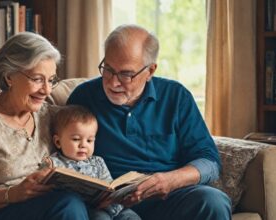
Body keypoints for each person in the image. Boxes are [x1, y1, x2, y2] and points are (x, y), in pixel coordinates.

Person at [67, 24, 232, 220]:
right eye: (108, 69)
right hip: (109, 205)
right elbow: (61, 153)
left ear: (150, 71)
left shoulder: (176, 96)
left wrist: (170, 180)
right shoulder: (84, 96)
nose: (113, 82)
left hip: (166, 197)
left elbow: (209, 161)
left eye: (126, 74)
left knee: (213, 201)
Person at [0, 32, 89, 220]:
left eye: (51, 80)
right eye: (37, 79)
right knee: (68, 203)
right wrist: (13, 194)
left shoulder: (51, 115)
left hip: (48, 209)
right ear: (9, 76)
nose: (46, 90)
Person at [41, 105, 141, 220]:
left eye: (89, 140)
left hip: (116, 208)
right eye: (76, 139)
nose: (83, 145)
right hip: (92, 211)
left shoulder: (98, 161)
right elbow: (45, 187)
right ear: (58, 142)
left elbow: (109, 184)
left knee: (133, 217)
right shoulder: (54, 163)